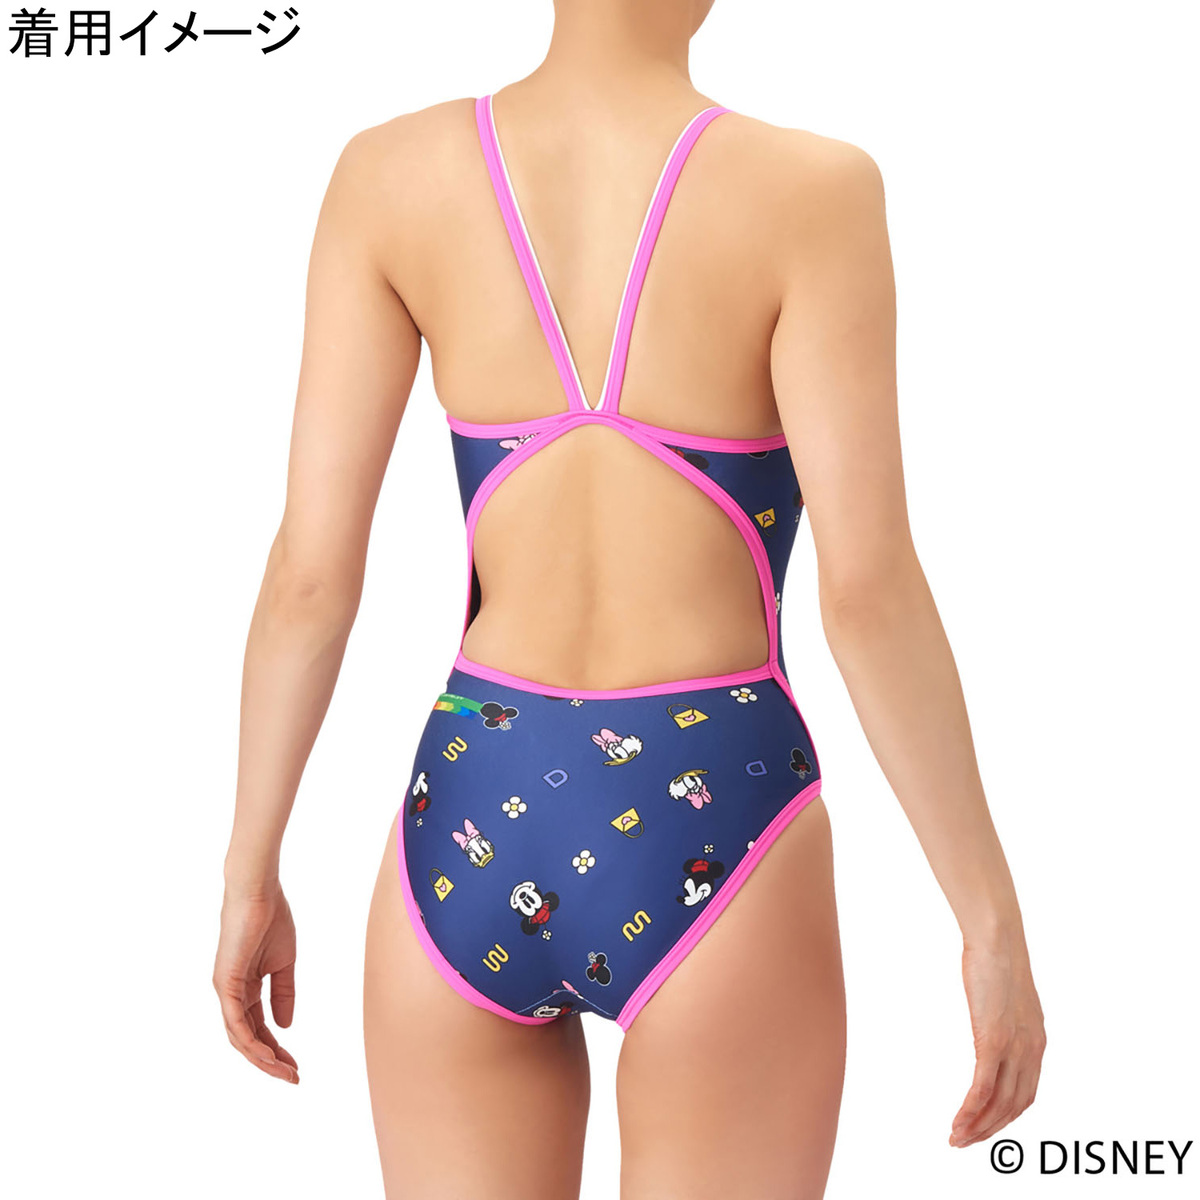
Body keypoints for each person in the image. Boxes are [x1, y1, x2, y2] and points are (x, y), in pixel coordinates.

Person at [213, 2, 1046, 1195]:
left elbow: (309, 574)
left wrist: (249, 872)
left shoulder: (388, 175)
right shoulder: (812, 191)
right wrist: (988, 920)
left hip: (469, 803)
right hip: (719, 803)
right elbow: (867, 593)